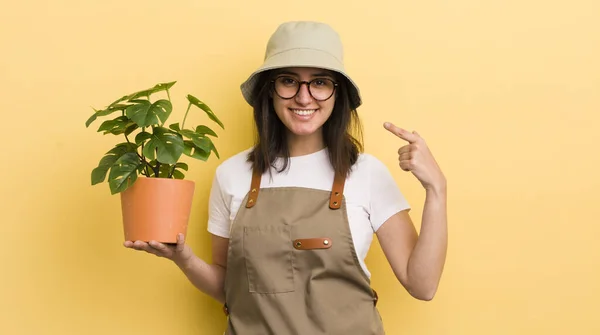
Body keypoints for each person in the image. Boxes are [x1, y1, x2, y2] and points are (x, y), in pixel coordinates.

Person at [124, 21, 447, 334]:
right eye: (289, 81)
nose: (304, 98)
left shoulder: (367, 173)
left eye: (320, 82)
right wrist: (184, 259)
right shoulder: (232, 176)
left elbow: (423, 285)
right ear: (270, 91)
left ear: (338, 94)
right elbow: (229, 289)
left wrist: (436, 189)